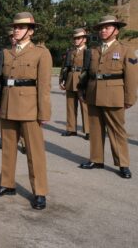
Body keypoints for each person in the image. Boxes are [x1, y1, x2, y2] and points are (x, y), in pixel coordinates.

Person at [0, 12, 51, 210]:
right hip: (7, 104)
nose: (16, 30)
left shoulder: (41, 53)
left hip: (29, 108)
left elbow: (44, 86)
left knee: (35, 152)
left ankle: (39, 191)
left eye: (21, 27)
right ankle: (7, 184)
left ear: (30, 31)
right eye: (15, 27)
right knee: (8, 148)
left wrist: (44, 113)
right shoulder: (6, 53)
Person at [79, 15, 137, 179]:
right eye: (101, 28)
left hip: (114, 95)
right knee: (95, 129)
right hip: (93, 93)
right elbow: (86, 73)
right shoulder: (93, 51)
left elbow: (132, 77)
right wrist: (82, 91)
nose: (103, 31)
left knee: (117, 131)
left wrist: (129, 98)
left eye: (108, 27)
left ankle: (123, 164)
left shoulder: (125, 50)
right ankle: (96, 159)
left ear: (116, 30)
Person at [59, 28, 90, 139]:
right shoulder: (70, 52)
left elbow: (90, 69)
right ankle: (71, 129)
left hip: (82, 80)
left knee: (85, 106)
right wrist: (61, 80)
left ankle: (88, 131)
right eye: (75, 38)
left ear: (84, 39)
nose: (76, 40)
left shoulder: (89, 52)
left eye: (79, 38)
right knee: (70, 106)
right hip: (70, 80)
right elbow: (64, 67)